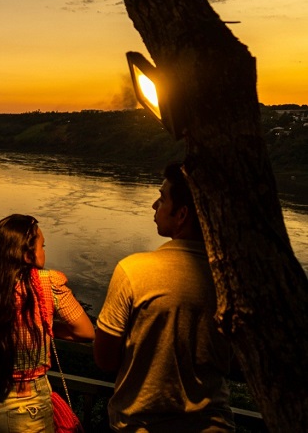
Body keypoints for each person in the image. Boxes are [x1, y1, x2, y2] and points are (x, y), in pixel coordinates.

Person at [94, 162, 235, 432]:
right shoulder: (232, 279)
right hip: (212, 425)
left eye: (161, 198)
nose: (154, 206)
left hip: (141, 425)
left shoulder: (133, 270)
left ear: (182, 214)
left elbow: (104, 359)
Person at [0, 214, 94, 432]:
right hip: (26, 404)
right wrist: (41, 323)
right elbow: (85, 331)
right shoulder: (47, 282)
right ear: (27, 254)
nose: (44, 251)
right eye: (42, 246)